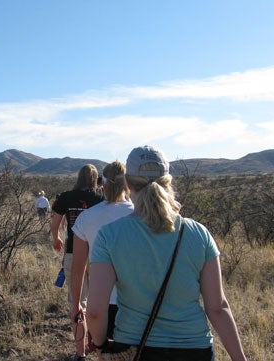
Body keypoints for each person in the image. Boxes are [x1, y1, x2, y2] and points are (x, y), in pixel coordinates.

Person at [87, 146, 247, 361]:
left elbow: (96, 311)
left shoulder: (109, 235)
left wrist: (100, 345)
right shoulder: (199, 233)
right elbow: (217, 308)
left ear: (128, 183)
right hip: (195, 350)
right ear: (168, 182)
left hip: (133, 349)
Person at [70, 161, 134, 349]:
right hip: (140, 302)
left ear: (103, 184)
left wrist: (76, 305)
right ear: (128, 184)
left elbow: (78, 267)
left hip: (102, 303)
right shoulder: (141, 214)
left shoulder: (87, 218)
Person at [51, 164, 104, 361]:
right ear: (95, 179)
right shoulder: (101, 200)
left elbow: (55, 223)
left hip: (74, 253)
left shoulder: (65, 197)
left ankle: (80, 352)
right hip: (100, 255)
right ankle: (98, 345)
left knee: (77, 303)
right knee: (100, 302)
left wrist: (56, 238)